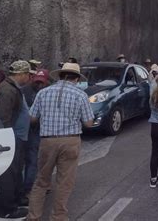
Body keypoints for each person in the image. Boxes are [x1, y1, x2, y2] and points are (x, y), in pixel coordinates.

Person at [27, 63, 94, 220]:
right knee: (64, 182)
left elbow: (32, 118)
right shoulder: (80, 95)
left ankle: (33, 217)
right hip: (70, 141)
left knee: (41, 181)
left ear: (60, 76)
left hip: (47, 141)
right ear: (76, 79)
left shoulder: (43, 93)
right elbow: (89, 123)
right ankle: (58, 217)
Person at [0, 61, 33, 220]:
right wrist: (8, 140)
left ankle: (17, 199)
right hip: (11, 139)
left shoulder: (12, 88)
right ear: (21, 74)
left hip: (17, 137)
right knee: (9, 174)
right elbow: (3, 118)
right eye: (28, 74)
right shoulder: (8, 91)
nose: (29, 78)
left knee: (16, 171)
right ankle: (9, 208)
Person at [21, 69, 50, 197]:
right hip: (32, 130)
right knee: (33, 161)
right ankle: (29, 188)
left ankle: (38, 184)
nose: (39, 85)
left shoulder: (44, 91)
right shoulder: (26, 92)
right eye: (37, 82)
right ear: (33, 79)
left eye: (41, 83)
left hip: (37, 130)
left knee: (39, 160)